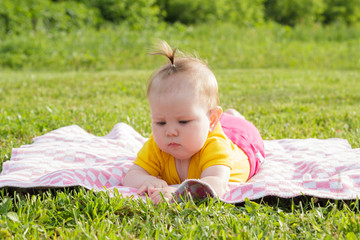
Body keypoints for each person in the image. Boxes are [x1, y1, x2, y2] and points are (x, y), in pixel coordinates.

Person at [123, 41, 265, 203]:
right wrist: (146, 180)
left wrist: (177, 192)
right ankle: (227, 116)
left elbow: (215, 184)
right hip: (213, 125)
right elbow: (132, 175)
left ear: (212, 120)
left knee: (236, 125)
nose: (170, 131)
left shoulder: (216, 147)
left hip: (242, 140)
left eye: (183, 121)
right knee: (219, 120)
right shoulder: (157, 145)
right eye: (160, 123)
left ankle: (234, 117)